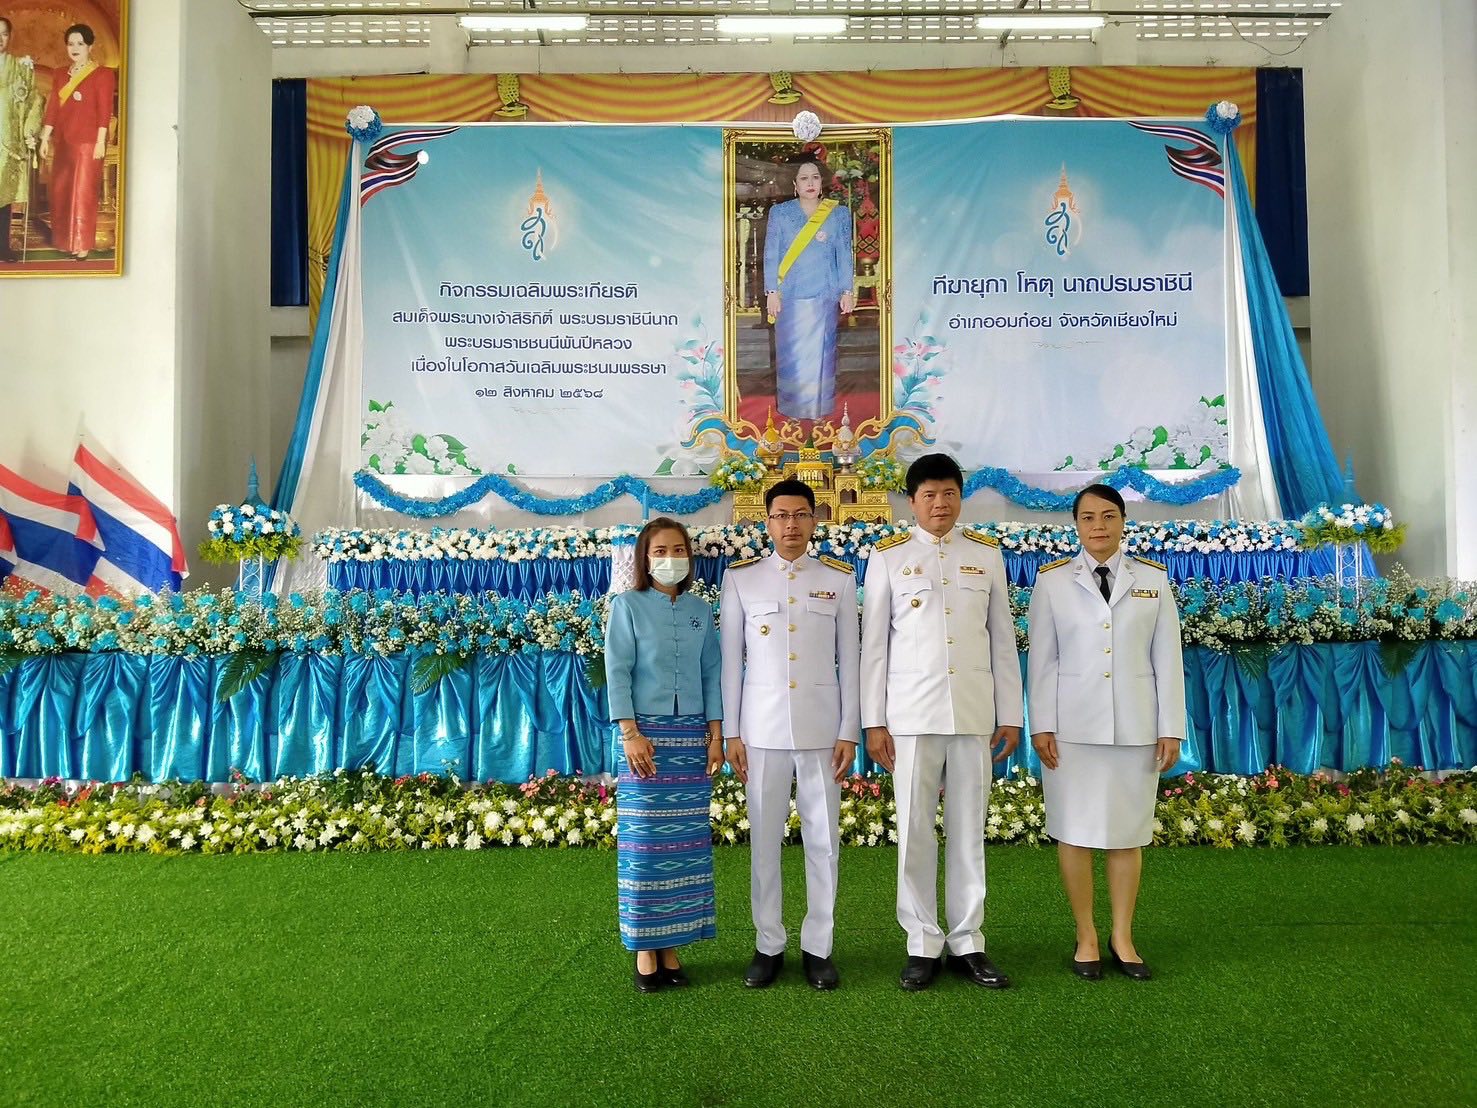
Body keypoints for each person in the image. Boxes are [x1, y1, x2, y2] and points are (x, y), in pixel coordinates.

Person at [861, 453, 1023, 991]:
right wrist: (873, 721)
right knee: (913, 831)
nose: (939, 503)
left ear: (960, 497)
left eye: (948, 493)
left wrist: (1011, 714)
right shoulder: (887, 558)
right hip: (910, 715)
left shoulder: (986, 556)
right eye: (928, 494)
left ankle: (968, 940)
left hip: (974, 711)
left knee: (968, 829)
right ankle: (922, 942)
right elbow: (875, 648)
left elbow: (1003, 640)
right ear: (913, 501)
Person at [1026, 483, 1185, 982]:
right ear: (1075, 524)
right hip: (1071, 730)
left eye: (1109, 516)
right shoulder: (1052, 582)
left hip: (1135, 725)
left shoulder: (1152, 581)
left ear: (1122, 521)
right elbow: (1043, 661)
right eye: (1089, 517)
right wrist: (1042, 725)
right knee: (1074, 833)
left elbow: (1168, 660)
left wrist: (1170, 727)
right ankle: (1086, 934)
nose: (1099, 526)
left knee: (1126, 835)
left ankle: (1122, 935)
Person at [720, 478, 860, 991]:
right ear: (767, 521)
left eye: (801, 515)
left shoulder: (839, 580)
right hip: (761, 731)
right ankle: (768, 943)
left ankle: (818, 947)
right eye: (781, 516)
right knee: (764, 843)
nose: (791, 525)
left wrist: (849, 729)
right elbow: (732, 662)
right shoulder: (742, 581)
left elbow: (853, 661)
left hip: (823, 729)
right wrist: (733, 730)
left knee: (824, 843)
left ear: (815, 519)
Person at [605, 516, 725, 992]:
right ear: (644, 557)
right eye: (660, 551)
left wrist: (715, 736)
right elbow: (618, 670)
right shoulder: (627, 606)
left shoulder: (700, 609)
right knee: (645, 845)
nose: (669, 559)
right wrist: (630, 733)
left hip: (691, 740)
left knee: (685, 848)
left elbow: (712, 674)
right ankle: (643, 949)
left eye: (678, 550)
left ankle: (670, 944)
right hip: (645, 740)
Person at [762, 159, 855, 421]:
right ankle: (792, 408)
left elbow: (844, 254)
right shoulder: (780, 213)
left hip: (824, 293)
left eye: (815, 177)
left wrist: (847, 290)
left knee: (822, 354)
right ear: (794, 184)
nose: (810, 183)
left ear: (821, 182)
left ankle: (819, 408)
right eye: (804, 178)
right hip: (789, 295)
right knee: (792, 354)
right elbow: (771, 255)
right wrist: (772, 291)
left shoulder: (837, 214)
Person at [38, 23, 114, 260]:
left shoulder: (102, 74)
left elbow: (104, 110)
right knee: (62, 192)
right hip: (63, 142)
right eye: (71, 43)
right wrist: (44, 137)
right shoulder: (60, 73)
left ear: (90, 46)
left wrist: (101, 141)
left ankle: (81, 244)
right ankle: (64, 240)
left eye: (80, 43)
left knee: (82, 194)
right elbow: (53, 109)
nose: (75, 48)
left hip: (87, 144)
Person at [0, 16, 43, 262]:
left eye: (4, 34)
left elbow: (33, 102)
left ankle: (2, 247)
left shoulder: (21, 67)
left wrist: (29, 133)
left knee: (3, 199)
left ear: (10, 37)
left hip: (8, 144)